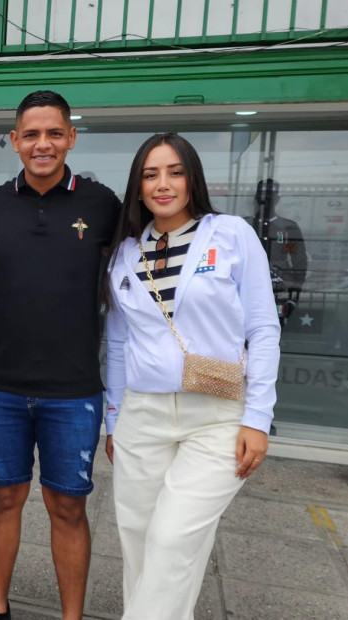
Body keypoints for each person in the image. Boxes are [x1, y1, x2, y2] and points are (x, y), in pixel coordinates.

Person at [103, 133, 280, 619]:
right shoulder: (124, 253)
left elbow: (263, 328)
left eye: (175, 172)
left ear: (193, 179)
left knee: (173, 535)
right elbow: (118, 344)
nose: (163, 184)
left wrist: (258, 418)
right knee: (139, 540)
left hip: (218, 415)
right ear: (137, 186)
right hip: (142, 415)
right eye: (151, 174)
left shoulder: (230, 234)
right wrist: (113, 420)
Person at [0, 91, 121, 620]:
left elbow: (144, 255)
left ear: (71, 138)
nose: (42, 144)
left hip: (73, 390)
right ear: (13, 141)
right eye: (30, 134)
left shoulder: (102, 204)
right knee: (3, 499)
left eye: (54, 133)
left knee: (68, 507)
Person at [251, 178, 308, 326]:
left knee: (274, 332)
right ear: (256, 197)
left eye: (270, 196)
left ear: (277, 199)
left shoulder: (288, 227)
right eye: (262, 196)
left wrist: (292, 298)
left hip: (278, 292)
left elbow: (299, 263)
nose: (265, 200)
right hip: (247, 292)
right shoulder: (244, 225)